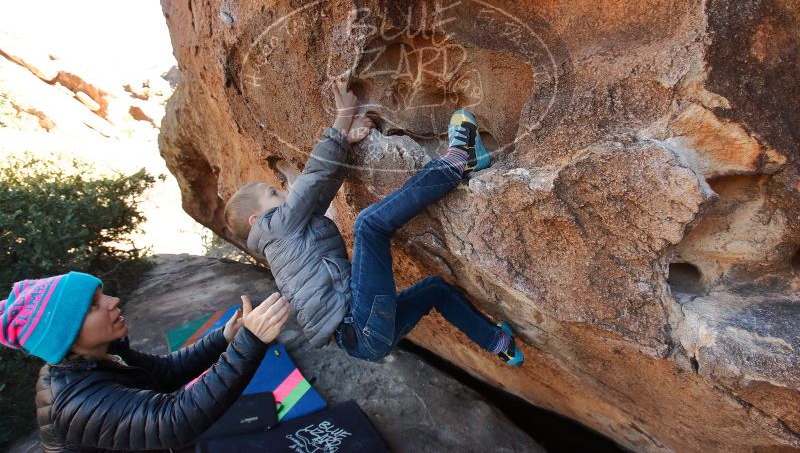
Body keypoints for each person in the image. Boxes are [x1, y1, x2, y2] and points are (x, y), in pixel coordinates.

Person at [225, 83, 523, 365]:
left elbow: (320, 190)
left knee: (435, 290)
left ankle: (501, 345)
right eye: (273, 193)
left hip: (363, 339)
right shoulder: (274, 228)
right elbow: (312, 179)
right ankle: (459, 160)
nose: (284, 192)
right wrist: (341, 120)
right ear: (256, 220)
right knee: (369, 225)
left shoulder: (282, 242)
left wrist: (345, 142)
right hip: (357, 324)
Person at [0, 270, 290, 452]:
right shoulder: (74, 401)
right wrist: (250, 341)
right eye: (93, 306)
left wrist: (224, 338)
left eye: (102, 295)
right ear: (68, 337)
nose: (113, 301)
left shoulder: (102, 354)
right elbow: (174, 420)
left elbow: (164, 371)